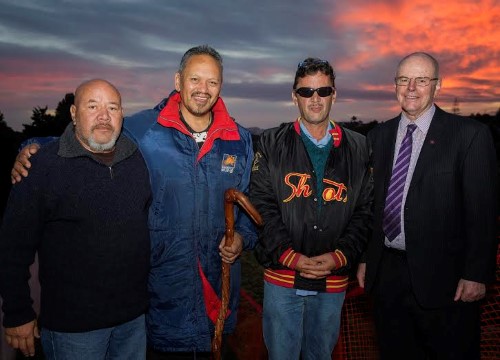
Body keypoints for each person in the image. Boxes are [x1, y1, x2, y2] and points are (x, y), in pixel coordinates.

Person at [10, 45, 257, 359]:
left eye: (212, 82)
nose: (203, 89)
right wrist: (32, 147)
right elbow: (91, 138)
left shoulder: (240, 139)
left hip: (218, 303)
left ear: (221, 85)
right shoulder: (144, 130)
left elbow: (248, 205)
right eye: (195, 79)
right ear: (178, 81)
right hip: (157, 301)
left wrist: (242, 239)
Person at [357, 52, 497, 360]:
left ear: (437, 85)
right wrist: (368, 258)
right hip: (388, 276)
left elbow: (483, 212)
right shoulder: (378, 137)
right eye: (404, 80)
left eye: (421, 80)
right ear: (395, 85)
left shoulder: (470, 135)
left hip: (447, 280)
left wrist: (476, 273)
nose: (411, 88)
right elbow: (373, 205)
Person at [0, 79, 152, 359]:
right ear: (73, 113)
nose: (104, 116)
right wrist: (17, 312)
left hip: (132, 321)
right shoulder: (42, 167)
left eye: (112, 107)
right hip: (74, 329)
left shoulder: (136, 160)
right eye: (92, 106)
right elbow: (12, 246)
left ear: (122, 115)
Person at [249, 58, 373, 360]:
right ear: (294, 96)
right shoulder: (270, 142)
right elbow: (262, 205)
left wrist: (340, 256)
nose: (314, 99)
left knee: (321, 355)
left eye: (323, 90)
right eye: (306, 92)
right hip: (283, 278)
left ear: (334, 94)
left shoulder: (359, 146)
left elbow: (365, 210)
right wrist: (291, 257)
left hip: (332, 280)